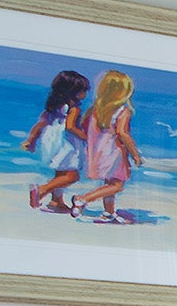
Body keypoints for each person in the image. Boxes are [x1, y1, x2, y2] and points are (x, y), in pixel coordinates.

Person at [67, 69, 141, 221]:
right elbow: (122, 133)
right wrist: (134, 154)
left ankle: (108, 213)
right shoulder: (123, 111)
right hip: (115, 153)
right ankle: (83, 199)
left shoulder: (95, 109)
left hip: (99, 152)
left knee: (110, 183)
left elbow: (85, 128)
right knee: (117, 185)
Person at [20, 69, 89, 212]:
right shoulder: (74, 109)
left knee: (60, 173)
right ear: (74, 92)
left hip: (51, 142)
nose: (86, 93)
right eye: (83, 90)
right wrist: (86, 137)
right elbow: (70, 127)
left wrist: (31, 139)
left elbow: (41, 123)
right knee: (72, 175)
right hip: (67, 143)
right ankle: (42, 190)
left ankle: (56, 202)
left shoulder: (53, 107)